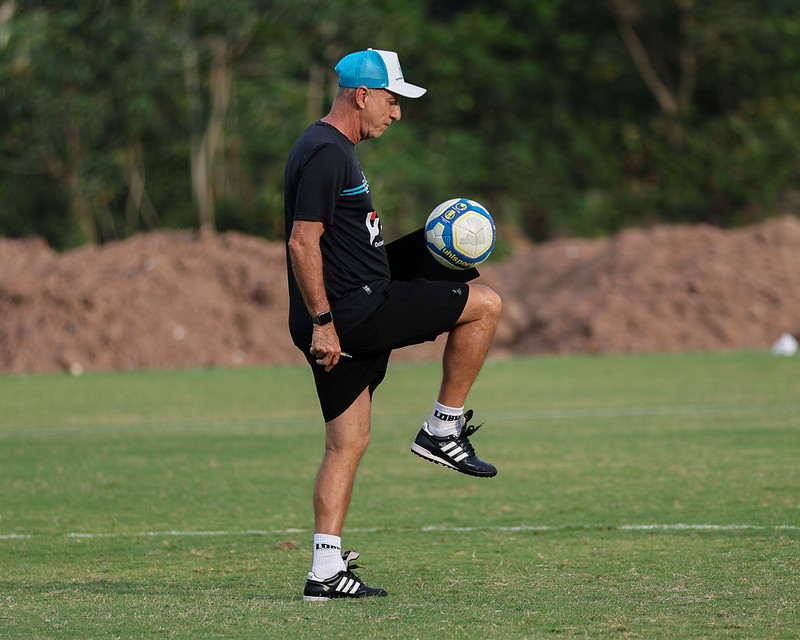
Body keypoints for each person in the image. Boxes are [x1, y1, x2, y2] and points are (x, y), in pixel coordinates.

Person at [284, 48, 502, 601]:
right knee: (486, 304)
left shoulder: (326, 147)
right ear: (362, 95)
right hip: (354, 312)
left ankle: (324, 572)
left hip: (346, 305)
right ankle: (442, 428)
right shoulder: (329, 154)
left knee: (347, 442)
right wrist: (325, 324)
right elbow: (302, 241)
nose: (396, 112)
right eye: (391, 99)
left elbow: (342, 243)